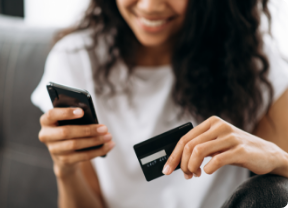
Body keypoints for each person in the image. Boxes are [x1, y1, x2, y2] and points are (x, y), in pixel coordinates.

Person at [31, 0, 288, 207]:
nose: (150, 6)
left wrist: (278, 158)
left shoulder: (255, 63)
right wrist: (65, 169)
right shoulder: (75, 60)